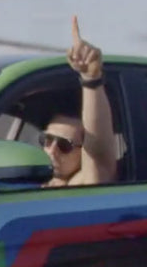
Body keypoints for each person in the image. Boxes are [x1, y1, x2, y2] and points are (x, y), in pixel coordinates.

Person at [39, 16, 118, 187]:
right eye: (47, 140)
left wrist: (91, 79)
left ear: (83, 152)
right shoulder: (28, 179)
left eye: (64, 145)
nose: (52, 151)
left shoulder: (81, 184)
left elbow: (98, 155)